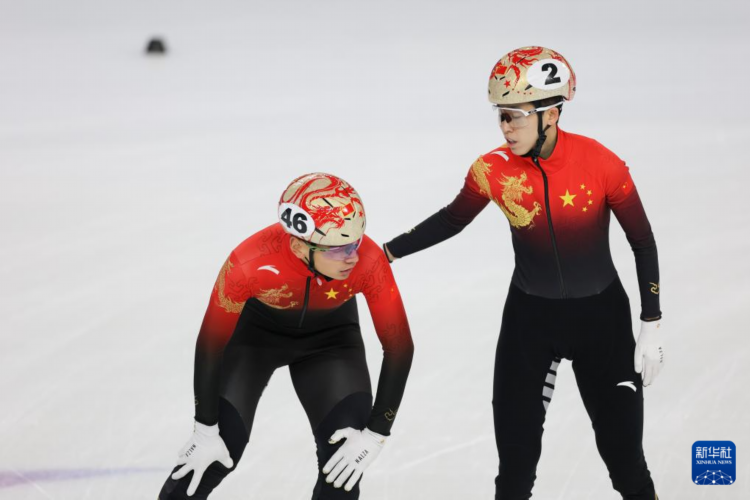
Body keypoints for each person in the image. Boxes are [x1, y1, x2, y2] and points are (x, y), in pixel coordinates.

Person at [384, 46, 664, 499]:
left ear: (551, 114)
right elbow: (452, 219)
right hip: (530, 322)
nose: (505, 128)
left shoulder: (602, 164)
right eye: (501, 116)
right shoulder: (491, 170)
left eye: (514, 116)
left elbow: (643, 242)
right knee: (514, 472)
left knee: (626, 464)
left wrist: (651, 322)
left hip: (602, 323)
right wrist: (387, 252)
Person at [159, 173, 414, 499]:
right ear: (298, 246)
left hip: (331, 342)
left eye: (356, 242)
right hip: (255, 340)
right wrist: (205, 428)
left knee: (342, 466)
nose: (352, 256)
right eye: (338, 249)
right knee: (211, 458)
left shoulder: (370, 260)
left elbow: (399, 347)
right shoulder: (248, 262)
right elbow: (211, 343)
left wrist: (377, 432)